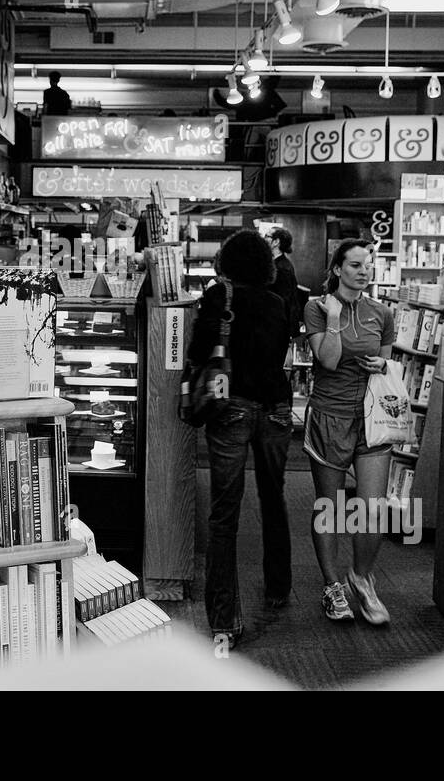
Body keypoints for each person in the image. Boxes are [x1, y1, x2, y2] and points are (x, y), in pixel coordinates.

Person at [187, 229, 293, 648]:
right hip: (277, 408)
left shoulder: (219, 297)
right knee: (274, 497)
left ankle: (225, 619)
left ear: (226, 261)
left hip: (230, 406)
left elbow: (198, 351)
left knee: (224, 513)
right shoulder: (277, 302)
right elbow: (279, 353)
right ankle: (278, 587)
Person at [302, 239, 396, 626]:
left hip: (372, 419)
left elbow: (387, 363)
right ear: (338, 268)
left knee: (373, 509)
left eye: (368, 265)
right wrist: (336, 319)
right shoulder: (317, 307)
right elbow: (328, 359)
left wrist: (380, 365)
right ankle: (332, 584)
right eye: (355, 264)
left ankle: (361, 577)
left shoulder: (383, 313)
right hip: (329, 416)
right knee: (330, 506)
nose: (364, 271)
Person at [267, 227, 304, 338]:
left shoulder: (282, 268)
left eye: (267, 236)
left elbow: (283, 300)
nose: (263, 239)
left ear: (276, 242)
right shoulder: (276, 264)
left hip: (278, 326)